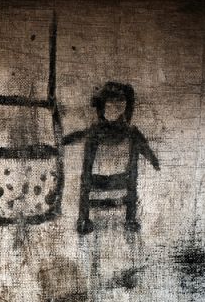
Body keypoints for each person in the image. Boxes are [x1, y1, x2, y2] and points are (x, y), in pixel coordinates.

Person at [63, 82, 160, 234]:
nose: (114, 109)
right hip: (95, 177)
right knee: (86, 179)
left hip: (124, 177)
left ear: (126, 107)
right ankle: (84, 218)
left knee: (132, 175)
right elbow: (80, 135)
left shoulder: (130, 131)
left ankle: (130, 218)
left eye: (119, 105)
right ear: (102, 107)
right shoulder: (96, 129)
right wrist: (63, 141)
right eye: (110, 105)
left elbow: (144, 147)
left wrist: (154, 160)